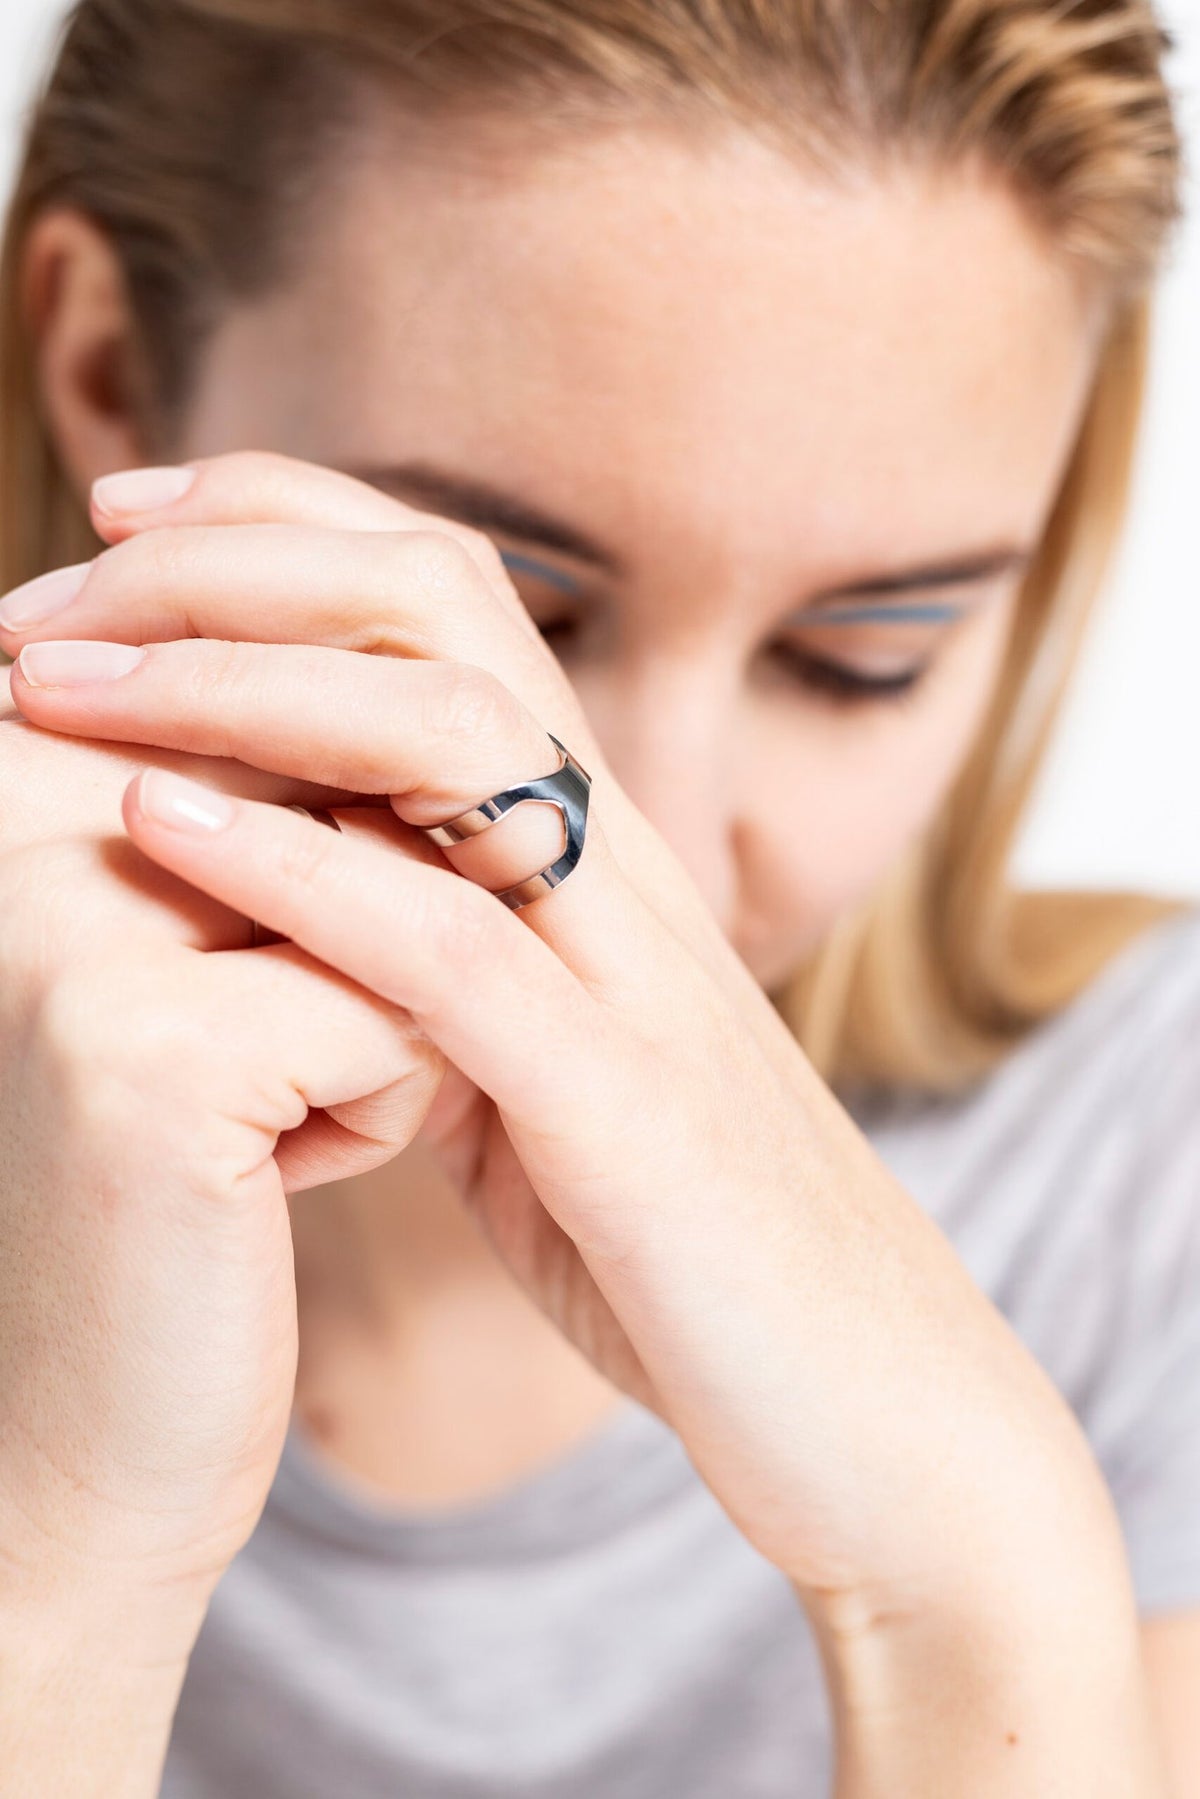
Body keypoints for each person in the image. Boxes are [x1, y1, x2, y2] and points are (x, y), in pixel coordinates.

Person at [0, 0, 1196, 1792]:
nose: (670, 864)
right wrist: (61, 1574)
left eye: (863, 657)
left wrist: (974, 1571)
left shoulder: (1154, 1164)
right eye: (510, 620)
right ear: (106, 365)